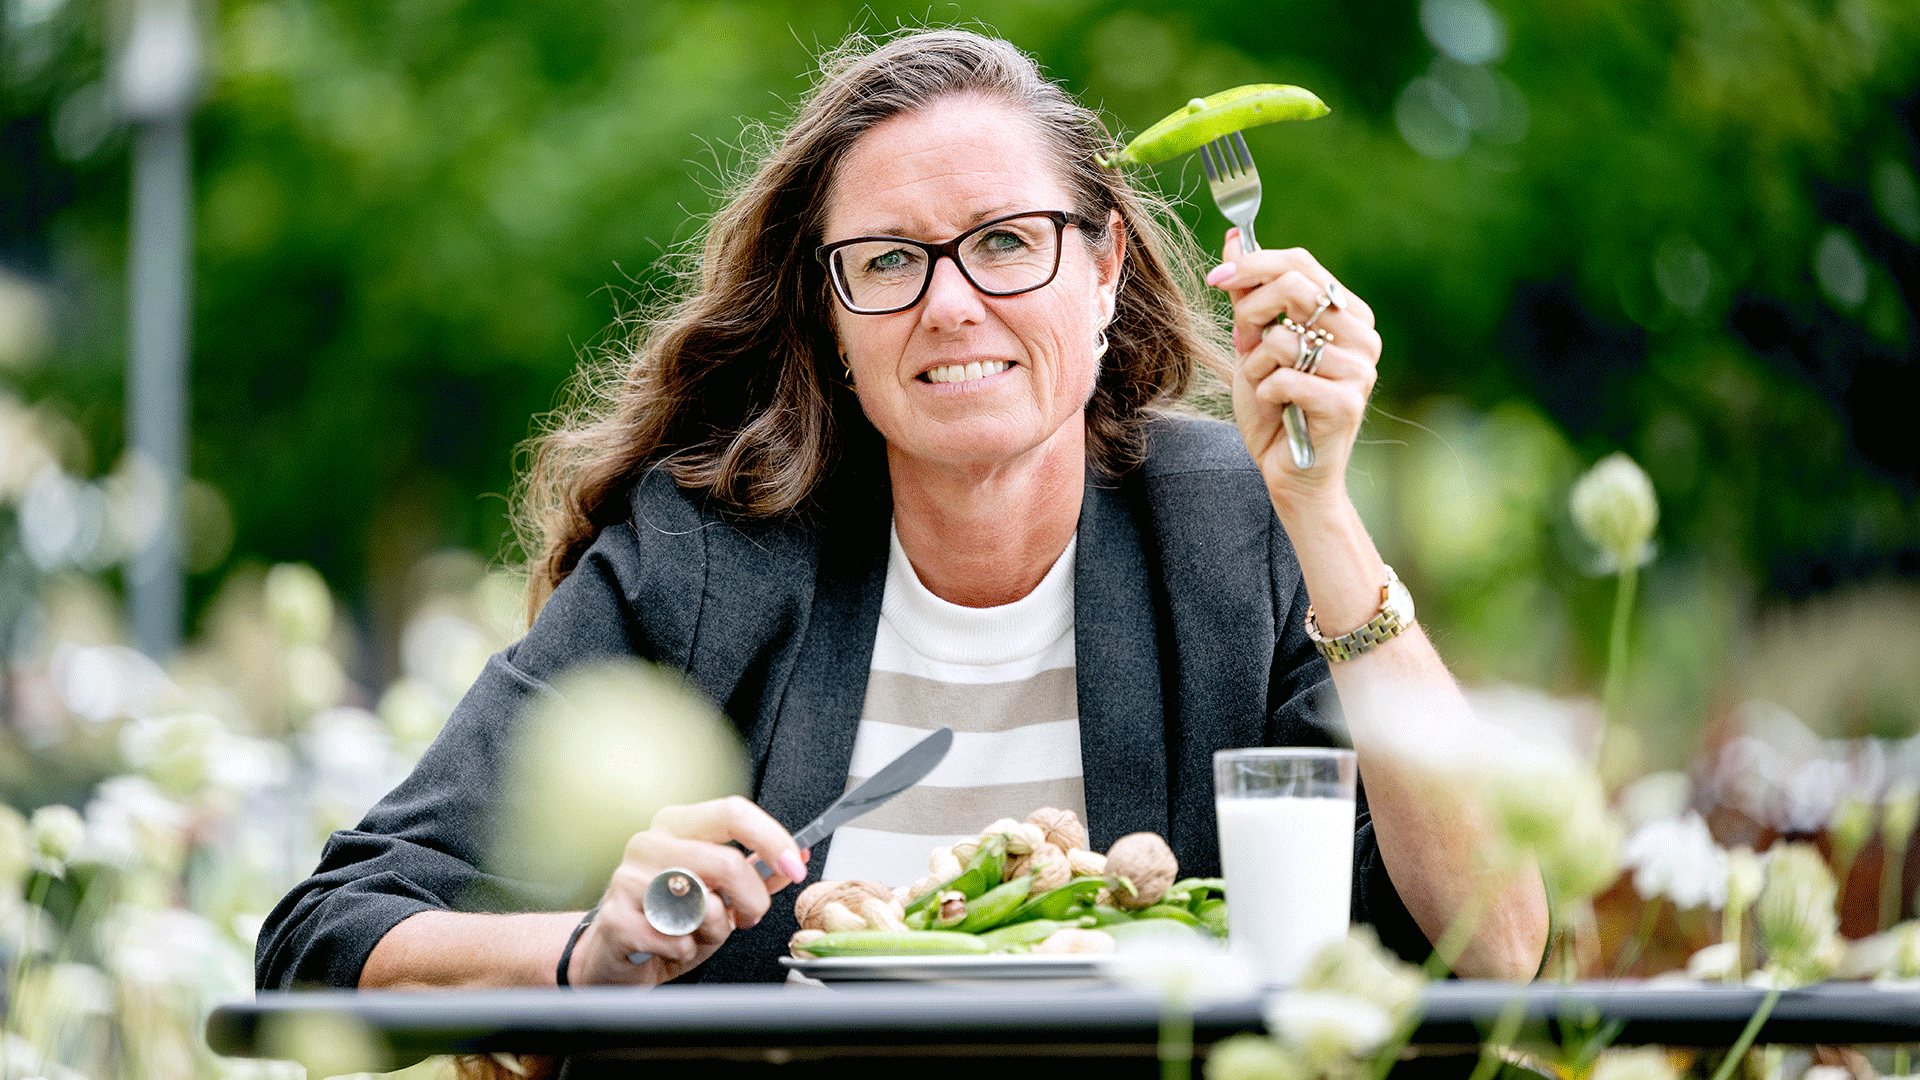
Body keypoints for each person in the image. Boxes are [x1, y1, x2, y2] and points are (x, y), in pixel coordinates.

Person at [256, 28, 1547, 994]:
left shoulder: (1234, 528)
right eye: (888, 261)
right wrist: (592, 948)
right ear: (833, 316)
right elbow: (326, 932)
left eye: (1006, 241)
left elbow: (1495, 941)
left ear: (1103, 267)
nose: (950, 305)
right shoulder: (701, 561)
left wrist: (1320, 510)